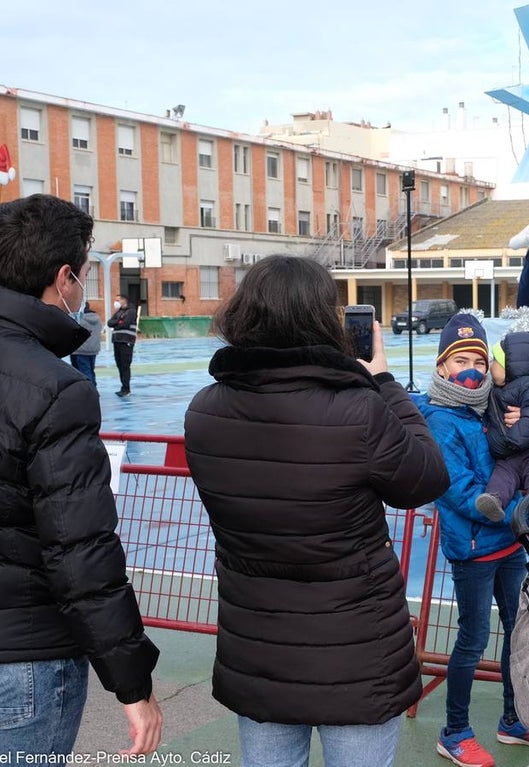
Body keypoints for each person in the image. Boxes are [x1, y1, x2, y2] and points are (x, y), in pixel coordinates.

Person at [184, 255, 450, 767]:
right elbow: (426, 478)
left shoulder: (205, 410)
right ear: (320, 320)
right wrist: (384, 380)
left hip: (258, 654)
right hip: (357, 657)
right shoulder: (358, 410)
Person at [0, 194, 162, 759]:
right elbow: (79, 549)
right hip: (20, 657)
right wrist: (132, 682)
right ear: (64, 277)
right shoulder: (57, 388)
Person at [420, 314, 529, 767]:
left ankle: (513, 721)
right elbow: (458, 489)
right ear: (443, 367)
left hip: (509, 545)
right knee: (472, 638)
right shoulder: (441, 419)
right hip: (473, 549)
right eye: (460, 360)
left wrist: (527, 417)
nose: (471, 369)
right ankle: (455, 731)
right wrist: (518, 515)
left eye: (479, 361)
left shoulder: (490, 405)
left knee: (517, 634)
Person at [474, 332, 529, 528]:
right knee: (501, 480)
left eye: (495, 361)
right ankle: (493, 502)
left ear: (511, 366)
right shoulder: (492, 390)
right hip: (508, 457)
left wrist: (516, 437)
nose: (490, 366)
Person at [107, 294, 138, 396]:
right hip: (117, 341)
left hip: (126, 341)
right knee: (119, 365)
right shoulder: (119, 312)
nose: (116, 302)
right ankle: (123, 387)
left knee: (125, 365)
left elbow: (126, 323)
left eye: (118, 300)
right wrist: (118, 322)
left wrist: (117, 323)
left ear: (124, 300)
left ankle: (126, 388)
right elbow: (109, 323)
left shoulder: (131, 311)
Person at [70, 301, 102, 386]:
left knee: (84, 371)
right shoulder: (97, 318)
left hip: (80, 350)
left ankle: (89, 390)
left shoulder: (80, 319)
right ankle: (93, 387)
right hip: (93, 349)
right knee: (91, 370)